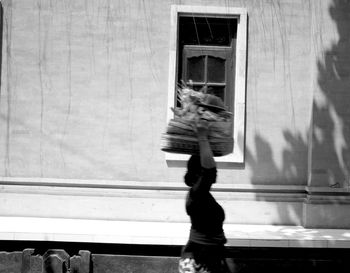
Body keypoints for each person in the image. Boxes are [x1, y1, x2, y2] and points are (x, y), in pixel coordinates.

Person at [178, 118, 230, 273]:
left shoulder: (201, 195)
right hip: (198, 261)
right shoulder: (197, 194)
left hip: (209, 258)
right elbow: (209, 170)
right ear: (199, 173)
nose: (216, 171)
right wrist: (202, 136)